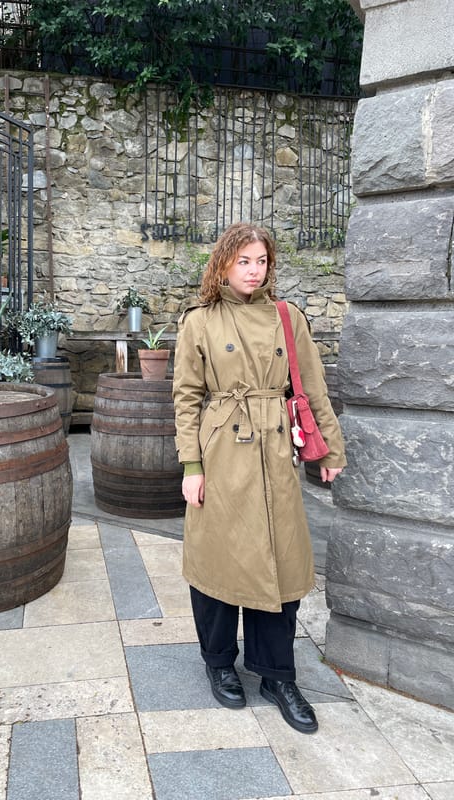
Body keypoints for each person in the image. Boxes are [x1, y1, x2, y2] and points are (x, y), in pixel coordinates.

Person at [172, 222, 346, 734]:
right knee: (217, 560)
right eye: (244, 260)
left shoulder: (287, 318)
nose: (254, 270)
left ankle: (276, 675)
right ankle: (219, 662)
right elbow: (185, 398)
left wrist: (330, 449)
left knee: (282, 559)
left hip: (275, 452)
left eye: (262, 261)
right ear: (224, 263)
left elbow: (312, 387)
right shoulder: (200, 321)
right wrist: (191, 465)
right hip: (222, 450)